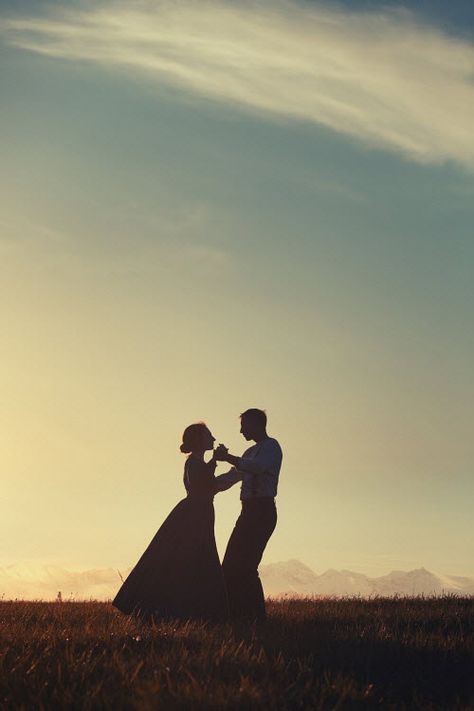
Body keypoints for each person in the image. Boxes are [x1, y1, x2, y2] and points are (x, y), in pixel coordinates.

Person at [113, 423, 228, 622]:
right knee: (190, 558)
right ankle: (192, 612)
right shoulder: (193, 462)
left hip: (198, 513)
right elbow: (204, 486)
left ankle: (193, 612)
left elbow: (205, 483)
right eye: (209, 435)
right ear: (199, 440)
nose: (213, 439)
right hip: (194, 515)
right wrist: (219, 463)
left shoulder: (196, 462)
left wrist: (215, 462)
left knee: (188, 558)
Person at [214, 408, 283, 622]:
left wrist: (229, 457)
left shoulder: (272, 446)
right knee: (231, 564)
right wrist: (209, 485)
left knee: (248, 565)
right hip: (247, 512)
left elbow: (258, 468)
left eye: (244, 426)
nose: (241, 431)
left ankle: (255, 617)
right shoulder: (248, 453)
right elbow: (233, 477)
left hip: (262, 511)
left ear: (256, 425)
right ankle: (236, 614)